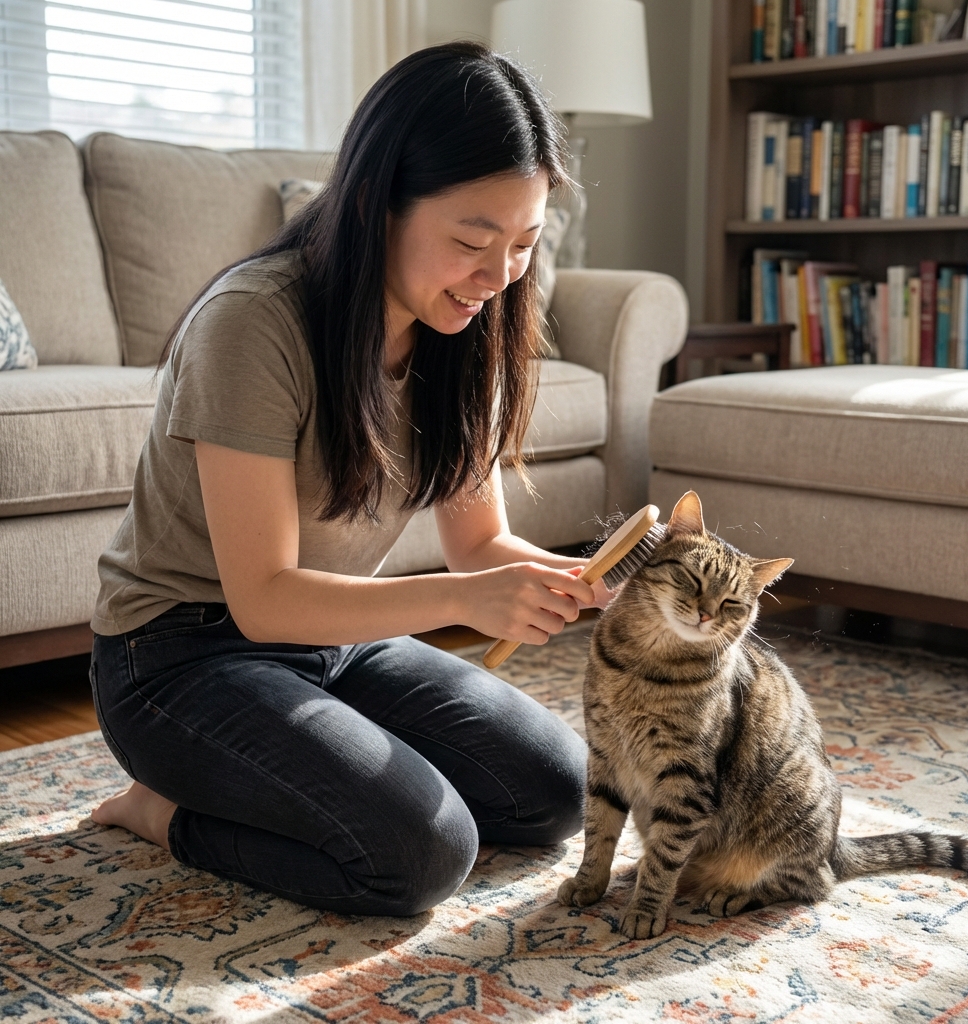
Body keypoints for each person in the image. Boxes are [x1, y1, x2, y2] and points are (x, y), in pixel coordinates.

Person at [88, 42, 610, 917]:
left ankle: (319, 771)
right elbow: (264, 601)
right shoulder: (255, 323)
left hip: (329, 643)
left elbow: (478, 543)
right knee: (423, 851)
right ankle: (163, 811)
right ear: (378, 202)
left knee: (556, 791)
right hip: (179, 657)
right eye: (473, 241)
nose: (498, 276)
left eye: (523, 244)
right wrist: (464, 598)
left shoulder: (465, 325)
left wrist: (595, 583)